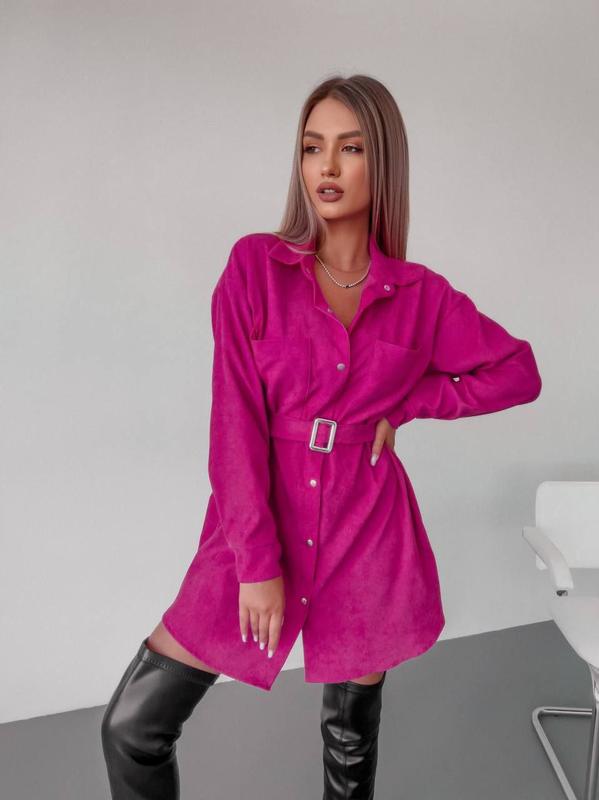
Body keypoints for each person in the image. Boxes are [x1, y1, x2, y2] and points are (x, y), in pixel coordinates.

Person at [101, 74, 543, 799]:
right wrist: (255, 563)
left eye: (350, 148)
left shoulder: (421, 296)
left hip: (367, 531)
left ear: (383, 162)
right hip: (258, 524)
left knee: (349, 748)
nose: (327, 166)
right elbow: (234, 424)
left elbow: (517, 371)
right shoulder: (255, 268)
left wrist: (411, 402)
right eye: (312, 148)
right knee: (132, 727)